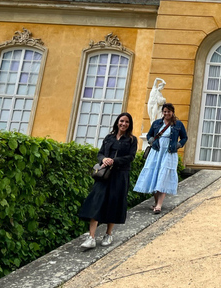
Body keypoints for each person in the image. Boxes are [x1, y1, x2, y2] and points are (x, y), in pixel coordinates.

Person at [78, 112, 138, 249]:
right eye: (121, 121)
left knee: (114, 203)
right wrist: (103, 159)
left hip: (120, 175)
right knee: (96, 201)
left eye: (127, 122)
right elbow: (100, 153)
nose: (124, 124)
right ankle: (91, 237)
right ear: (117, 122)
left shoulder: (132, 140)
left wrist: (114, 161)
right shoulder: (108, 137)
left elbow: (131, 157)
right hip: (104, 175)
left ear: (130, 125)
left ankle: (108, 234)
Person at [134, 103, 188, 214]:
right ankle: (156, 202)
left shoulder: (178, 124)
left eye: (169, 111)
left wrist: (178, 145)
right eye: (165, 111)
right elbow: (149, 135)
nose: (167, 113)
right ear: (162, 112)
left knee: (163, 176)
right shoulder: (156, 123)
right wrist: (151, 141)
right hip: (156, 152)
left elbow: (184, 137)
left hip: (169, 153)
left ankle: (159, 205)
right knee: (154, 175)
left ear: (172, 112)